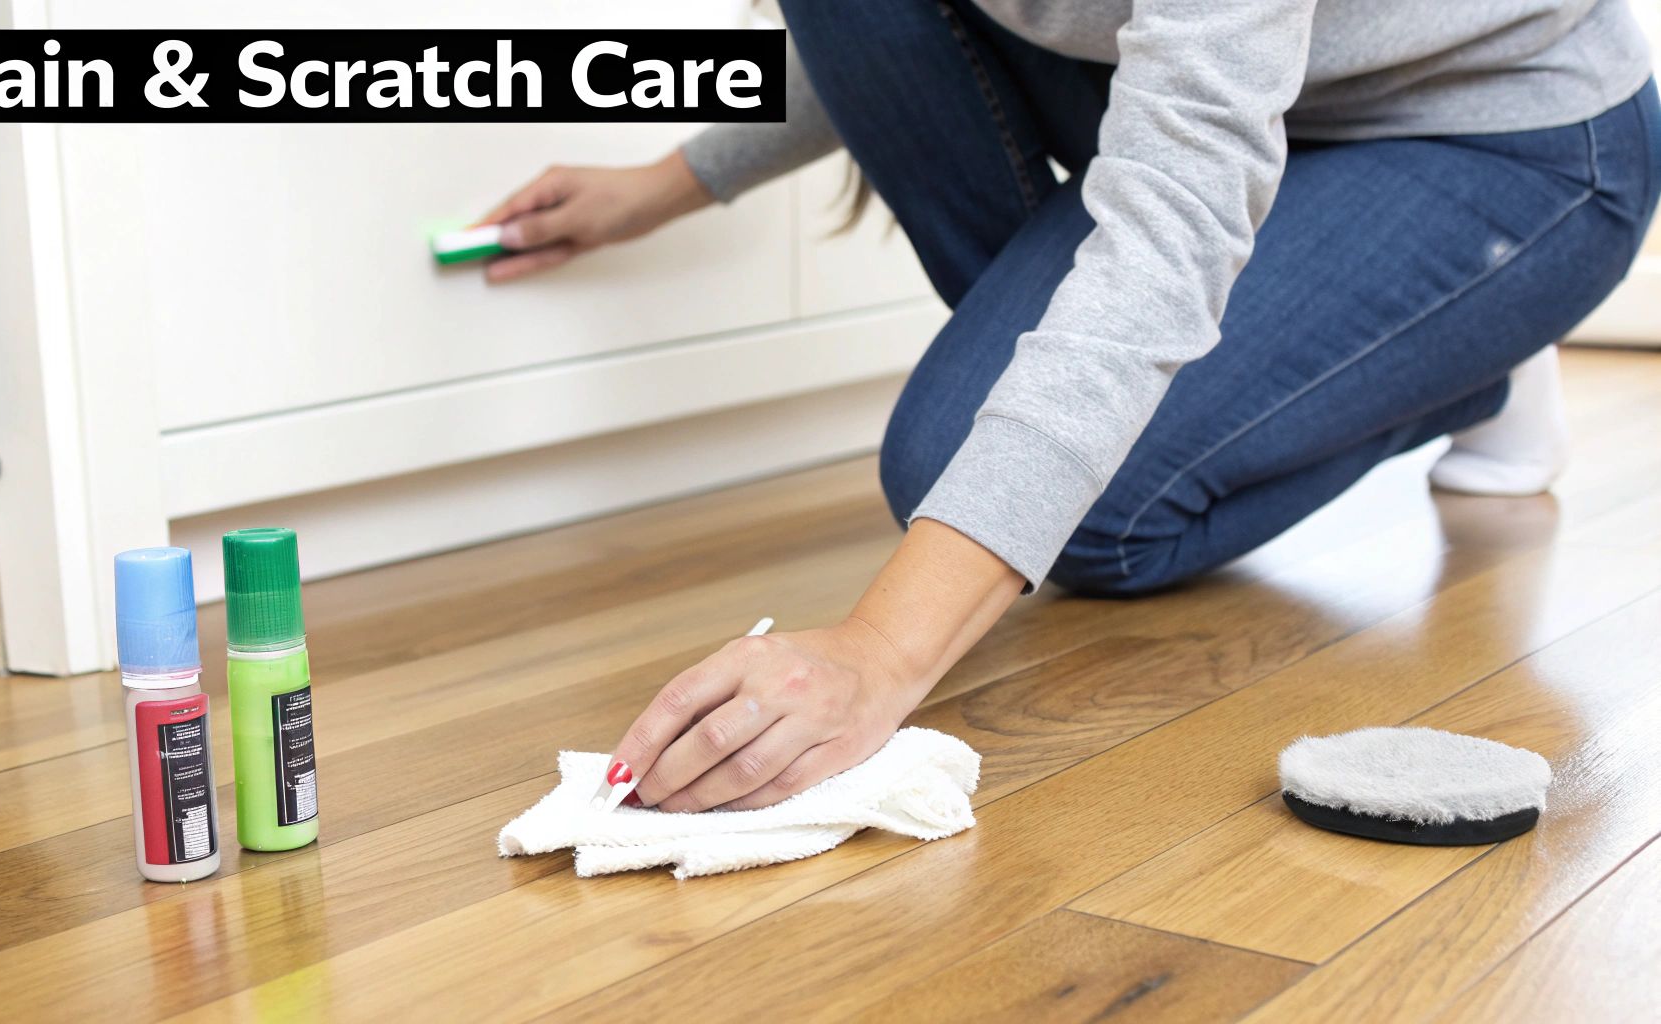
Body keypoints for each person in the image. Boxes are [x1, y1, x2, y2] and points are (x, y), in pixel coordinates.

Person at [481, 0, 1661, 813]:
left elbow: (1174, 211)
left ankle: (1461, 347)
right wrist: (673, 181)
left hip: (1493, 140)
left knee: (1074, 517)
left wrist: (885, 648)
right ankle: (1302, 345)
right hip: (1232, 101)